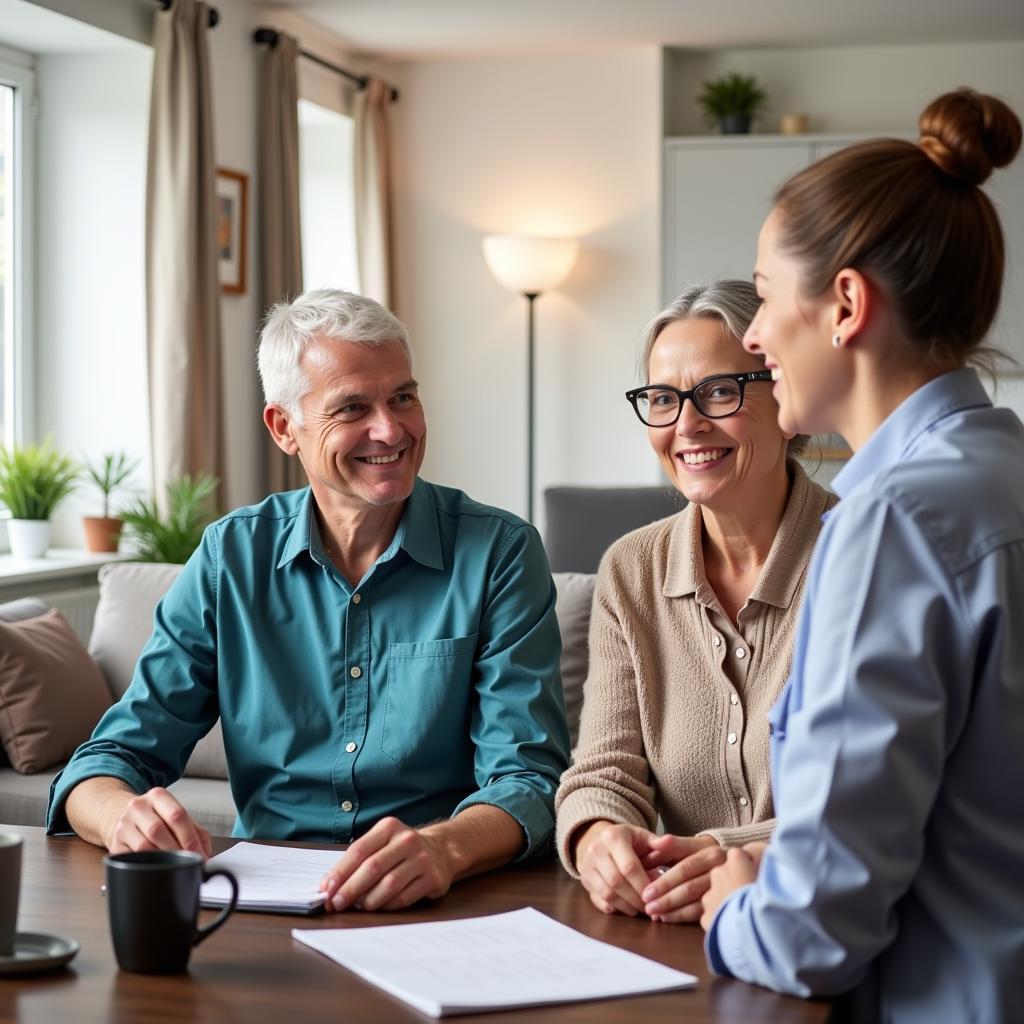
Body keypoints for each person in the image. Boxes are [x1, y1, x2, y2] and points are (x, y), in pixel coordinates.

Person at [47, 289, 570, 913]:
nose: (391, 428)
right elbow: (114, 756)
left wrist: (444, 848)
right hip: (258, 907)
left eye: (403, 396)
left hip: (440, 897)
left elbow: (529, 779)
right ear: (284, 428)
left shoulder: (500, 552)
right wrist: (122, 818)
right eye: (353, 407)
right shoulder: (230, 557)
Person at [700, 89, 1024, 1021]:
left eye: (762, 297)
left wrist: (735, 910)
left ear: (845, 304)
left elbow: (814, 940)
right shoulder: (999, 474)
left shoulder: (893, 521)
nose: (754, 339)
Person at [555, 280, 835, 924]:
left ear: (781, 392)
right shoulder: (630, 569)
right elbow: (602, 770)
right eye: (662, 398)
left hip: (823, 923)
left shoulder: (861, 555)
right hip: (673, 925)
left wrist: (719, 852)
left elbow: (871, 804)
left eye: (717, 391)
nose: (686, 425)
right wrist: (598, 837)